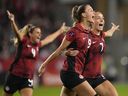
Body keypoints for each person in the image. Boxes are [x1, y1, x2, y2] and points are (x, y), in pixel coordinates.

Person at [3, 10, 69, 96]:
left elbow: (49, 39)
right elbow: (18, 35)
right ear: (30, 34)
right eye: (37, 33)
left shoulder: (37, 45)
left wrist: (60, 31)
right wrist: (12, 22)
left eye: (40, 33)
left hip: (27, 78)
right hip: (14, 76)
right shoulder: (23, 42)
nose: (39, 35)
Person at [38, 4, 99, 96]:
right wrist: (44, 64)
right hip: (71, 72)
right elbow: (59, 50)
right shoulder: (74, 31)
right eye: (90, 10)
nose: (93, 12)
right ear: (83, 15)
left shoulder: (88, 33)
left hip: (77, 72)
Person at [63, 12, 119, 96]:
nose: (102, 20)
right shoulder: (85, 35)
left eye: (103, 18)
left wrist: (113, 29)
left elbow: (109, 33)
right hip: (82, 78)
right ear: (92, 21)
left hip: (97, 77)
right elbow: (69, 47)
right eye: (98, 18)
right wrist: (66, 52)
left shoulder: (101, 35)